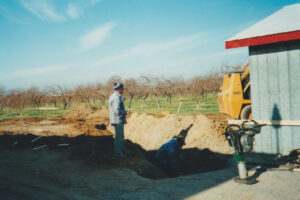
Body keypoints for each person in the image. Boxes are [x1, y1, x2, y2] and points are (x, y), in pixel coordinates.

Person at [109, 82, 130, 158]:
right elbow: (116, 110)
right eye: (122, 88)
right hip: (118, 120)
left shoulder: (116, 96)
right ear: (119, 89)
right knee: (119, 137)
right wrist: (125, 112)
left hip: (118, 120)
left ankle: (121, 151)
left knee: (120, 136)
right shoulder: (116, 98)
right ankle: (118, 153)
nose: (123, 90)